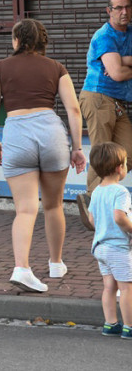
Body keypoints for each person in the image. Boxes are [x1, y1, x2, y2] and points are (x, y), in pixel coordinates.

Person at [0, 19, 85, 292]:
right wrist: (76, 147)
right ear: (43, 42)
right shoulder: (56, 67)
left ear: (16, 40)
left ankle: (22, 268)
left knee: (26, 208)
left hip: (17, 133)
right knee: (53, 205)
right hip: (51, 132)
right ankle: (56, 263)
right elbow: (74, 110)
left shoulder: (0, 67)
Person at [76, 0, 132, 229]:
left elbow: (119, 70)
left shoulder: (129, 33)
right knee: (102, 154)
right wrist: (119, 66)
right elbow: (117, 74)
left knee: (126, 152)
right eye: (118, 8)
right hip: (98, 97)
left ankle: (101, 202)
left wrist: (122, 61)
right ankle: (93, 210)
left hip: (117, 101)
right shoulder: (104, 36)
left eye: (127, 7)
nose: (124, 12)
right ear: (109, 11)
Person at [85, 141, 132, 337]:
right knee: (127, 288)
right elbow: (120, 217)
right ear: (119, 168)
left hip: (100, 246)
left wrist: (104, 229)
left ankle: (110, 323)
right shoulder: (120, 191)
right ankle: (129, 327)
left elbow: (91, 219)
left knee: (109, 287)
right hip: (118, 247)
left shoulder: (97, 191)